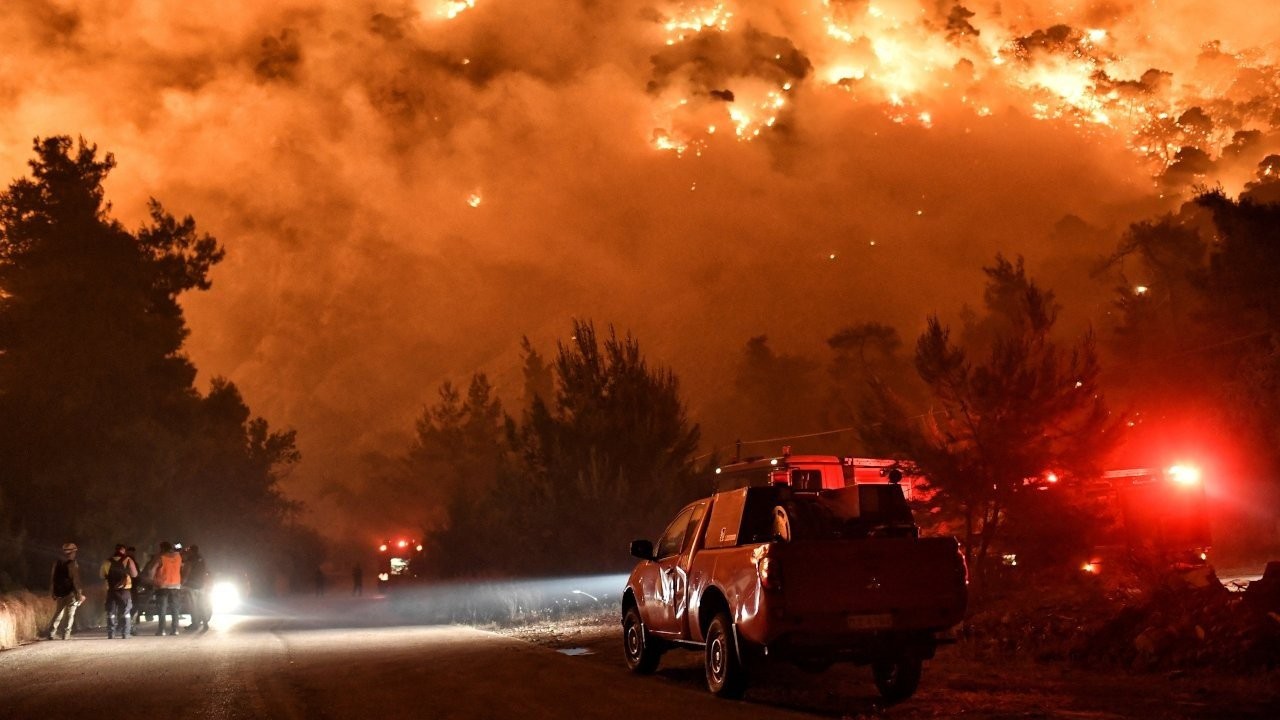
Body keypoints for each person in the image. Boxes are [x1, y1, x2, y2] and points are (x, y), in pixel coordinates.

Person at [44, 542, 85, 640]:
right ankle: (66, 634)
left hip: (59, 592)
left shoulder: (57, 563)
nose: (75, 553)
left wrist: (53, 592)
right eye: (74, 552)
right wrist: (79, 594)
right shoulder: (73, 564)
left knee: (58, 613)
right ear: (72, 552)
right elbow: (75, 580)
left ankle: (51, 633)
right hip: (71, 593)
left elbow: (53, 578)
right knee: (70, 614)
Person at [101, 544, 138, 639]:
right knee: (126, 612)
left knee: (111, 612)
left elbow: (102, 575)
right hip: (124, 591)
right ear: (123, 550)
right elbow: (134, 574)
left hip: (111, 590)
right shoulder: (128, 560)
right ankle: (125, 633)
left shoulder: (107, 561)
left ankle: (111, 633)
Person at [152, 541, 184, 636]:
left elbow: (151, 570)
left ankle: (161, 630)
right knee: (175, 608)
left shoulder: (160, 557)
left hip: (163, 586)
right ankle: (175, 630)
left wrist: (152, 581)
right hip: (176, 586)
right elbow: (183, 568)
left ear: (162, 548)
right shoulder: (178, 557)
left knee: (162, 608)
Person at [182, 545, 211, 631]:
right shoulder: (201, 560)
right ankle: (205, 623)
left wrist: (182, 583)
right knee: (201, 605)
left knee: (193, 606)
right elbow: (205, 571)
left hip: (191, 585)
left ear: (191, 551)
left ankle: (195, 624)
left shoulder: (190, 560)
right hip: (201, 585)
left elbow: (186, 572)